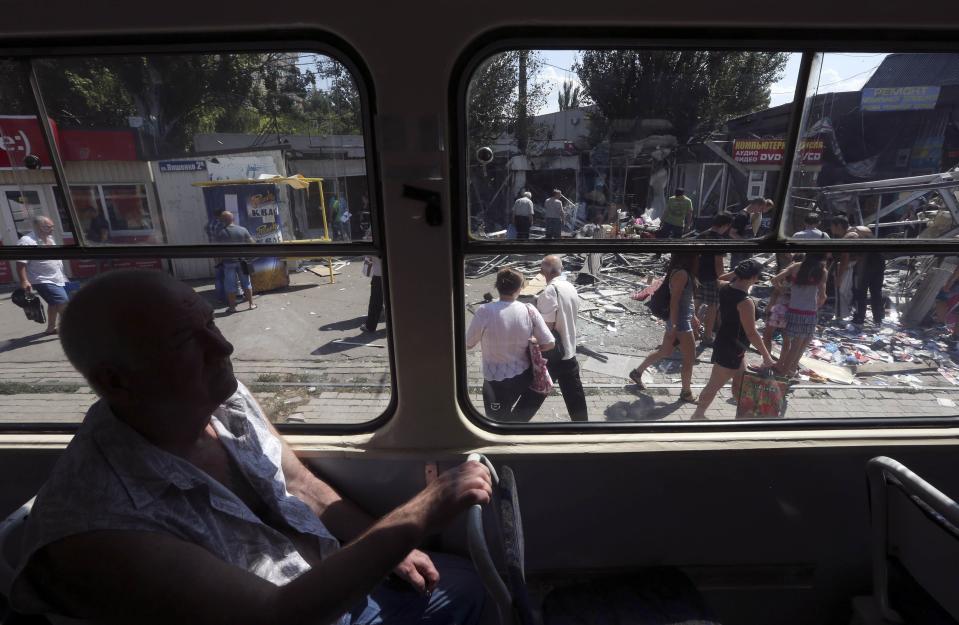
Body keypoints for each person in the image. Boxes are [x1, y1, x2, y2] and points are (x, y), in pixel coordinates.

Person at [10, 269, 490, 625]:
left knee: (467, 581)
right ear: (115, 381)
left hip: (317, 573)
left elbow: (301, 485)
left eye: (210, 325)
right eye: (185, 341)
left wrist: (385, 545)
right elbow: (277, 615)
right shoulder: (96, 524)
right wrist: (423, 511)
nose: (223, 349)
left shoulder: (221, 399)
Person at [690, 260, 776, 419]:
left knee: (739, 384)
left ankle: (744, 416)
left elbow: (720, 278)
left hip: (729, 342)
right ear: (754, 277)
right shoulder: (745, 302)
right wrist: (766, 356)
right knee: (714, 385)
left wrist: (736, 272)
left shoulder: (724, 287)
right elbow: (752, 333)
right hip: (732, 348)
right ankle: (697, 416)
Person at [466, 267, 555, 422]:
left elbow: (468, 344)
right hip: (523, 376)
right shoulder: (529, 310)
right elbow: (549, 343)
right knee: (515, 420)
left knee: (495, 423)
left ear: (497, 287)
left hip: (495, 380)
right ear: (520, 288)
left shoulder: (484, 311)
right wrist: (534, 346)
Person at [628, 253, 699, 404]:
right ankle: (686, 393)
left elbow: (687, 300)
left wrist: (693, 317)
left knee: (665, 351)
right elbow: (674, 302)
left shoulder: (682, 272)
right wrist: (673, 325)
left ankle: (637, 372)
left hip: (681, 320)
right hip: (680, 323)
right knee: (689, 358)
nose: (698, 257)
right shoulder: (681, 273)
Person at [536, 255, 587, 422]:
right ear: (561, 269)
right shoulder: (570, 287)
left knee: (534, 393)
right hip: (569, 351)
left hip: (553, 353)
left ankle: (513, 423)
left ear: (544, 272)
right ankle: (583, 429)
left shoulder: (549, 292)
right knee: (575, 397)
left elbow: (546, 328)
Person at [772, 253, 829, 379]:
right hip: (808, 313)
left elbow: (774, 280)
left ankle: (789, 371)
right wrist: (816, 306)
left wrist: (783, 290)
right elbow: (822, 296)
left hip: (792, 311)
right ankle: (784, 375)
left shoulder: (796, 266)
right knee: (799, 346)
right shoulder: (822, 271)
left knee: (792, 344)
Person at [16, 215, 69, 335]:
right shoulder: (27, 241)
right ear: (39, 227)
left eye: (52, 226)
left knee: (53, 303)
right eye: (49, 226)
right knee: (63, 302)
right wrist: (24, 281)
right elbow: (20, 263)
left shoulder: (49, 238)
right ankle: (71, 329)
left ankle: (50, 328)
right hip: (41, 279)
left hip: (56, 277)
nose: (52, 229)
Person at [695, 213, 733, 347]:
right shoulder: (719, 240)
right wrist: (723, 279)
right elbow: (718, 263)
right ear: (726, 225)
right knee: (713, 307)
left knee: (696, 303)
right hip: (711, 277)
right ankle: (707, 337)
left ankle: (691, 332)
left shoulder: (701, 235)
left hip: (697, 275)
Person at [830, 215, 875, 328]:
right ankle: (853, 317)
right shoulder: (856, 231)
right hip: (866, 266)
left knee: (842, 290)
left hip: (855, 267)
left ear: (839, 226)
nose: (831, 229)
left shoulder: (849, 236)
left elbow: (846, 258)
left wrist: (839, 277)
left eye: (832, 226)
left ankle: (844, 317)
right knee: (855, 293)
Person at [215, 210, 257, 313]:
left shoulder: (221, 233)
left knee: (230, 285)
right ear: (232, 219)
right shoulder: (243, 230)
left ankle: (232, 307)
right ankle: (251, 304)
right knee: (246, 283)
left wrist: (218, 262)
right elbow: (252, 243)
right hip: (242, 261)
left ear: (223, 221)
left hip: (228, 262)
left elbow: (218, 251)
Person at [362, 256, 384, 332]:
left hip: (379, 275)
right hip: (395, 273)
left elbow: (369, 258)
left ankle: (370, 326)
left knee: (375, 302)